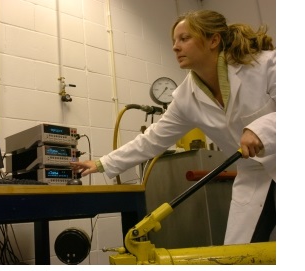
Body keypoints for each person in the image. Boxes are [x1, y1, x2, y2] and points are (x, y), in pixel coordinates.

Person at [71, 9, 275, 245]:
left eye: (184, 39)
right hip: (252, 179)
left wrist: (261, 128)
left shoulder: (263, 65)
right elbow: (152, 140)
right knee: (240, 256)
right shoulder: (187, 97)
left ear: (213, 40)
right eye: (174, 41)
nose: (175, 47)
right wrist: (101, 163)